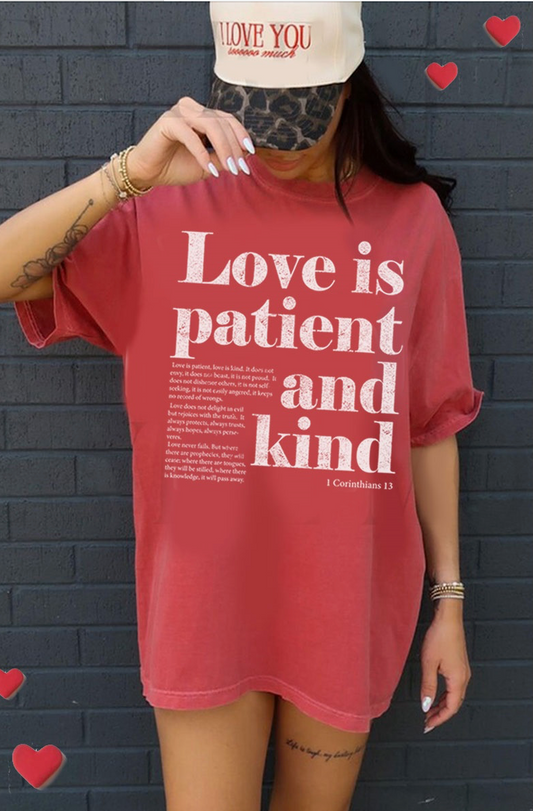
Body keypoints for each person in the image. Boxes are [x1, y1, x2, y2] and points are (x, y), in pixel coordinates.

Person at [0, 2, 485, 809]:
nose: (281, 142)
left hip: (346, 599)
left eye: (301, 111)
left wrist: (450, 602)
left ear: (346, 86)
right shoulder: (167, 205)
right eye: (261, 110)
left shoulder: (412, 222)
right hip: (205, 602)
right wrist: (127, 176)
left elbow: (428, 423)